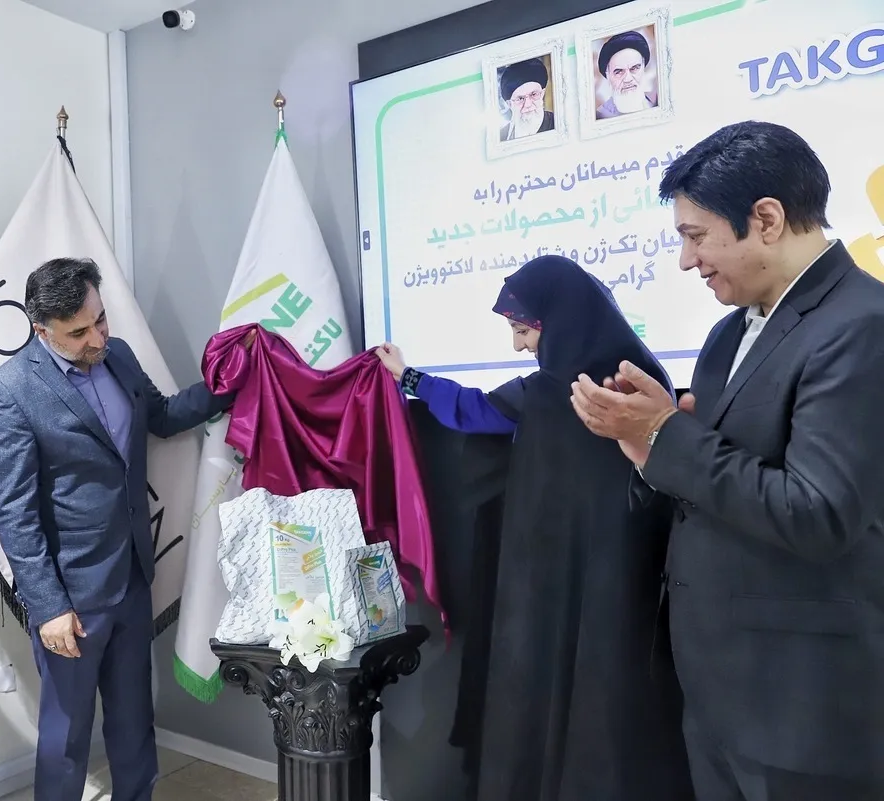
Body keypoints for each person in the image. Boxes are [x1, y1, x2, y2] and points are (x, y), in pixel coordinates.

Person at [571, 120, 884, 800]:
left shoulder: (862, 324)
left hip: (802, 708)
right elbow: (713, 479)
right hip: (718, 691)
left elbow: (819, 513)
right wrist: (648, 446)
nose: (688, 261)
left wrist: (667, 435)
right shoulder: (725, 333)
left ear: (766, 219)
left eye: (696, 236)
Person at [376, 256, 693, 801]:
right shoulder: (639, 380)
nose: (519, 346)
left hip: (591, 589)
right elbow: (477, 411)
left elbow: (475, 412)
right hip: (615, 587)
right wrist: (408, 377)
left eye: (523, 331)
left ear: (557, 320)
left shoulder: (568, 392)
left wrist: (410, 378)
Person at [0, 257, 242, 801]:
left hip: (132, 577)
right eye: (78, 333)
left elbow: (162, 416)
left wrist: (230, 384)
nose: (97, 337)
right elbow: (14, 510)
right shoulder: (11, 389)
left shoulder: (117, 354)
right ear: (42, 331)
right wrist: (48, 606)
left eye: (100, 320)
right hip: (71, 597)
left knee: (134, 723)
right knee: (66, 737)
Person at [596, 30, 657, 119]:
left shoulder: (657, 100)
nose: (628, 79)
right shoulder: (600, 116)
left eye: (634, 68)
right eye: (619, 72)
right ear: (608, 76)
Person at [498, 58, 555, 141]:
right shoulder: (500, 137)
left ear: (542, 93)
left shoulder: (558, 122)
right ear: (509, 104)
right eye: (520, 98)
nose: (528, 104)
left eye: (534, 94)